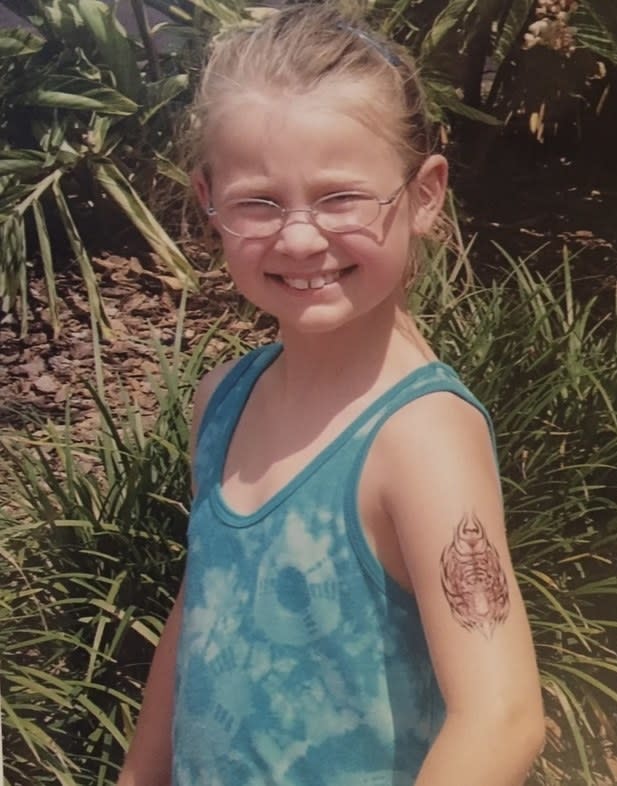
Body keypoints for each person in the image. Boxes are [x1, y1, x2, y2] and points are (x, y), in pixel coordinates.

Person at [116, 4, 545, 785]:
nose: (300, 237)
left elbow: (502, 716)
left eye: (341, 197)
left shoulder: (417, 437)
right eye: (259, 201)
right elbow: (198, 619)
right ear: (208, 199)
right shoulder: (223, 400)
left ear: (423, 195)